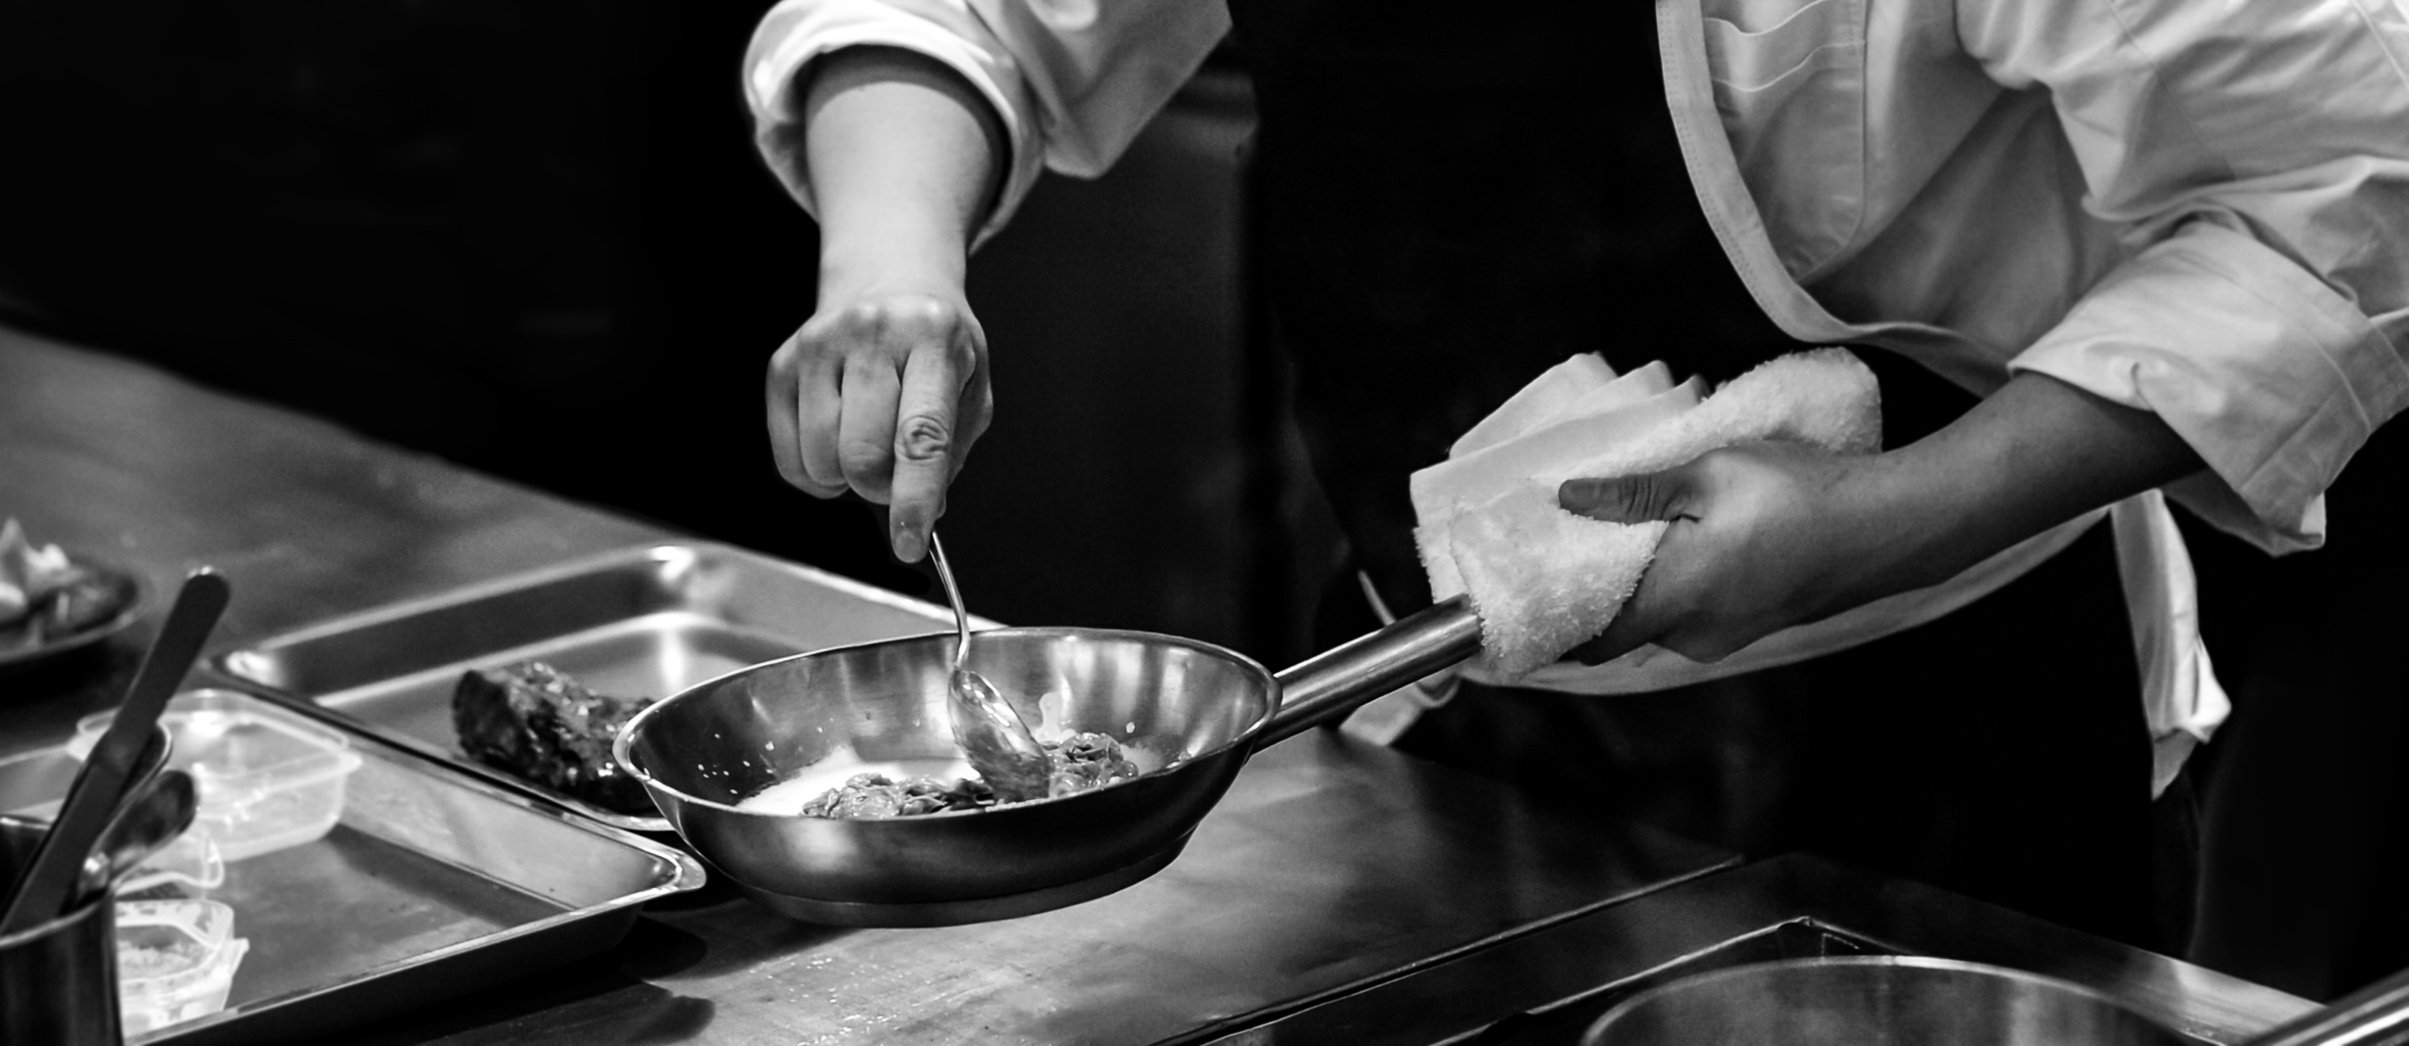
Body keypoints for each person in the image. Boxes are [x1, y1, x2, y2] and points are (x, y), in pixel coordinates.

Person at [741, 0, 2409, 955]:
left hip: (1928, 740)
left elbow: (2353, 186)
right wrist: (893, 255)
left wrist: (1873, 526)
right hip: (1440, 728)